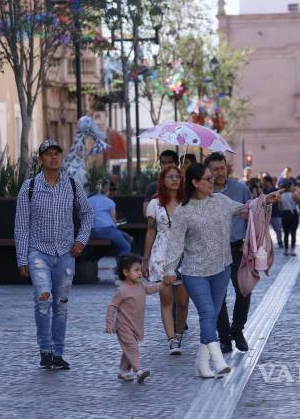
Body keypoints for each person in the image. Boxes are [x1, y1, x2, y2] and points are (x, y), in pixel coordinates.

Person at [163, 163, 280, 378]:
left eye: (212, 177)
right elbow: (174, 244)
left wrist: (265, 200)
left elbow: (246, 209)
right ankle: (217, 360)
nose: (213, 181)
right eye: (207, 178)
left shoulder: (221, 201)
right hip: (194, 272)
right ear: (195, 182)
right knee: (208, 313)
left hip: (221, 269)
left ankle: (201, 363)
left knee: (211, 315)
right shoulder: (183, 212)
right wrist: (169, 269)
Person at [14, 139, 93, 370]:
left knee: (61, 304)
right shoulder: (29, 187)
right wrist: (22, 258)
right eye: (48, 154)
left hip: (66, 254)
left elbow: (87, 214)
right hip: (38, 252)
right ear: (40, 159)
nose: (53, 157)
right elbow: (21, 226)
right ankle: (45, 351)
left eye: (57, 153)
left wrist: (81, 240)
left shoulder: (72, 185)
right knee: (43, 299)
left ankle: (58, 353)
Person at [205, 152, 252, 354]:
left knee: (244, 290)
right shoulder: (203, 192)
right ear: (208, 171)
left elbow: (253, 215)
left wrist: (249, 242)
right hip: (214, 250)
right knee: (218, 296)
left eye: (222, 168)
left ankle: (237, 329)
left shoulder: (240, 189)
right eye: (215, 169)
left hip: (238, 248)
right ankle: (224, 338)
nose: (219, 172)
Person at [142, 166, 189, 355]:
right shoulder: (155, 204)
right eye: (170, 177)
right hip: (161, 254)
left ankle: (179, 333)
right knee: (167, 298)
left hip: (184, 254)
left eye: (177, 176)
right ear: (163, 180)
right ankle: (172, 339)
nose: (175, 180)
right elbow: (150, 231)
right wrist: (145, 259)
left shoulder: (187, 202)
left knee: (183, 301)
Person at [106, 254, 163, 383]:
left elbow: (152, 289)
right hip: (124, 327)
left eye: (140, 270)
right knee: (132, 348)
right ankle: (139, 371)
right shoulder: (122, 290)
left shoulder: (140, 286)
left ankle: (122, 371)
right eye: (136, 270)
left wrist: (164, 284)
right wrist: (109, 323)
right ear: (126, 272)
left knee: (128, 349)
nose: (140, 273)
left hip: (136, 326)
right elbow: (112, 306)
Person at [88, 179, 132, 261]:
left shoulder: (89, 200)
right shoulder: (110, 202)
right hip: (107, 230)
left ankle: (128, 238)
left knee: (125, 237)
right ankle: (123, 266)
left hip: (92, 231)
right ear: (108, 190)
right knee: (126, 247)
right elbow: (114, 222)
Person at [143, 150, 179, 216]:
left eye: (170, 162)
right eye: (163, 163)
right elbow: (147, 214)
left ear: (177, 164)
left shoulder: (183, 186)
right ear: (160, 165)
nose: (166, 165)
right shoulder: (153, 187)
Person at [280, 181, 300, 256]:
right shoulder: (294, 194)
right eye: (292, 186)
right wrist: (298, 195)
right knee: (293, 233)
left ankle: (286, 250)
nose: (293, 187)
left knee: (286, 233)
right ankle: (292, 250)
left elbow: (280, 207)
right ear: (289, 187)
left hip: (285, 214)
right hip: (293, 214)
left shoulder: (281, 195)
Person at [263, 175, 283, 248]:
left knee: (278, 229)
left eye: (264, 182)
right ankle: (266, 244)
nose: (263, 183)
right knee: (264, 230)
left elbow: (279, 200)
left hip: (275, 213)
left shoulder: (275, 190)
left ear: (268, 182)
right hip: (265, 213)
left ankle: (280, 242)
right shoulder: (263, 190)